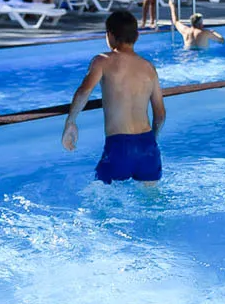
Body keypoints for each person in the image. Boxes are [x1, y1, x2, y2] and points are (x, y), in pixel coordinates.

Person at [62, 11, 166, 184]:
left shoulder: (102, 61)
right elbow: (160, 115)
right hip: (148, 147)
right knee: (151, 196)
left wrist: (70, 121)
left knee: (99, 194)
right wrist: (151, 142)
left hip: (119, 145)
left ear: (109, 35)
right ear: (137, 36)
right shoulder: (149, 68)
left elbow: (83, 92)